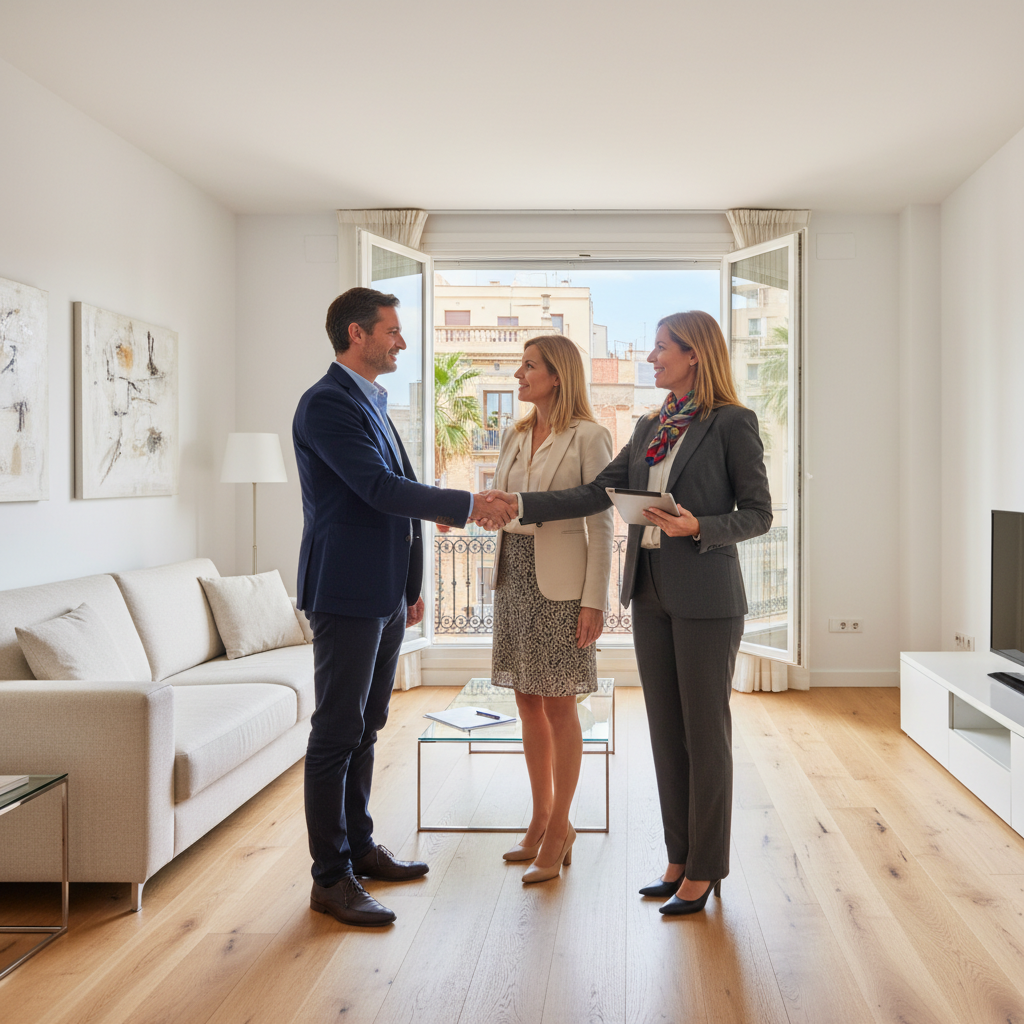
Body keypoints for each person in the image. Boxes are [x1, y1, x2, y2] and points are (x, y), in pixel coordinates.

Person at [482, 310, 771, 914]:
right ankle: (678, 859)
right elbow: (596, 493)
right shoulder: (649, 427)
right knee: (666, 733)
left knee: (705, 735)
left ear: (694, 354)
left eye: (662, 348)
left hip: (707, 596)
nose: (652, 357)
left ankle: (706, 869)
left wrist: (699, 525)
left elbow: (758, 513)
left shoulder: (730, 423)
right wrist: (519, 503)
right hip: (651, 591)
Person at [293, 286, 512, 927]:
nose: (401, 342)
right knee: (336, 732)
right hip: (345, 591)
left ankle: (359, 848)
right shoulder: (326, 404)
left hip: (383, 591)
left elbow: (393, 500)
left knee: (367, 725)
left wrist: (410, 586)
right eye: (391, 330)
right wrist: (468, 504)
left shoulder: (372, 402)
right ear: (356, 334)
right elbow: (378, 488)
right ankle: (330, 878)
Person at [488, 335, 613, 883]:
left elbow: (602, 522)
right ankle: (539, 819)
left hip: (562, 587)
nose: (519, 374)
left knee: (561, 705)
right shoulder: (515, 434)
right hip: (514, 576)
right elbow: (504, 504)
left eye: (529, 366)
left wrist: (594, 600)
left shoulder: (590, 436)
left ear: (557, 375)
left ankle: (561, 826)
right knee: (526, 701)